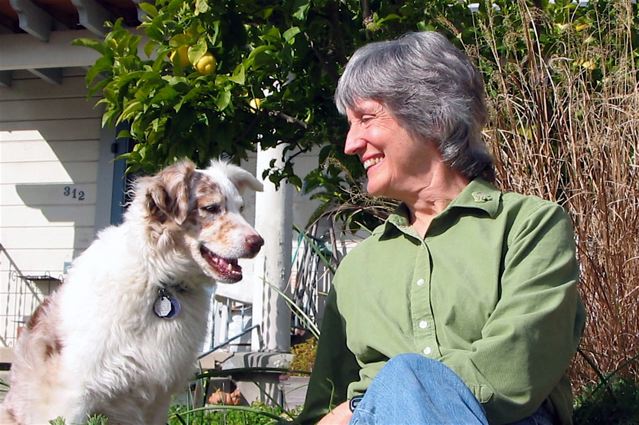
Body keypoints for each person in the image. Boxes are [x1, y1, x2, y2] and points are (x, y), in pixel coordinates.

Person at [293, 31, 585, 425]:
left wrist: (379, 398)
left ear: (432, 115)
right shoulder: (356, 269)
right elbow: (324, 407)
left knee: (404, 375)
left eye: (366, 119)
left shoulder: (528, 226)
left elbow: (513, 371)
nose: (350, 144)